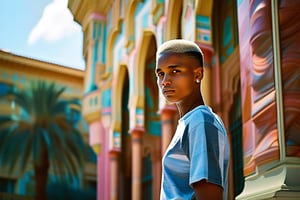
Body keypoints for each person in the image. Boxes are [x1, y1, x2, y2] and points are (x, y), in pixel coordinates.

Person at [155, 39, 230, 200]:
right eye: (160, 73)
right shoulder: (189, 123)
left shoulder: (200, 121)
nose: (165, 81)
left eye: (175, 71)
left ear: (198, 74)